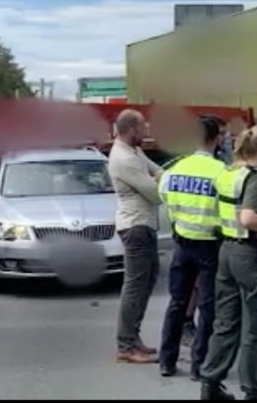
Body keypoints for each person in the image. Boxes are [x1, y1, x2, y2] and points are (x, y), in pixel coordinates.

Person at [199, 125, 257, 401]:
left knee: (226, 321)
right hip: (252, 256)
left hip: (226, 251)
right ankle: (254, 391)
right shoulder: (256, 178)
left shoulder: (227, 173)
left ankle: (210, 384)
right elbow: (248, 218)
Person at [157, 116, 226, 379]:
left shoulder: (175, 169)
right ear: (216, 139)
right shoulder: (221, 172)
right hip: (210, 245)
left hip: (182, 243)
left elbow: (164, 195)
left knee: (177, 303)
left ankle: (167, 361)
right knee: (208, 306)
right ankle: (200, 365)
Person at [108, 109, 164, 364]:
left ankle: (133, 337)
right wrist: (165, 184)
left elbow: (159, 172)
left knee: (148, 279)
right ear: (132, 130)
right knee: (135, 285)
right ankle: (126, 345)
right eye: (143, 128)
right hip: (135, 226)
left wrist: (164, 178)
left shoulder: (135, 152)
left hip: (144, 224)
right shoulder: (124, 158)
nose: (147, 132)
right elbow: (155, 192)